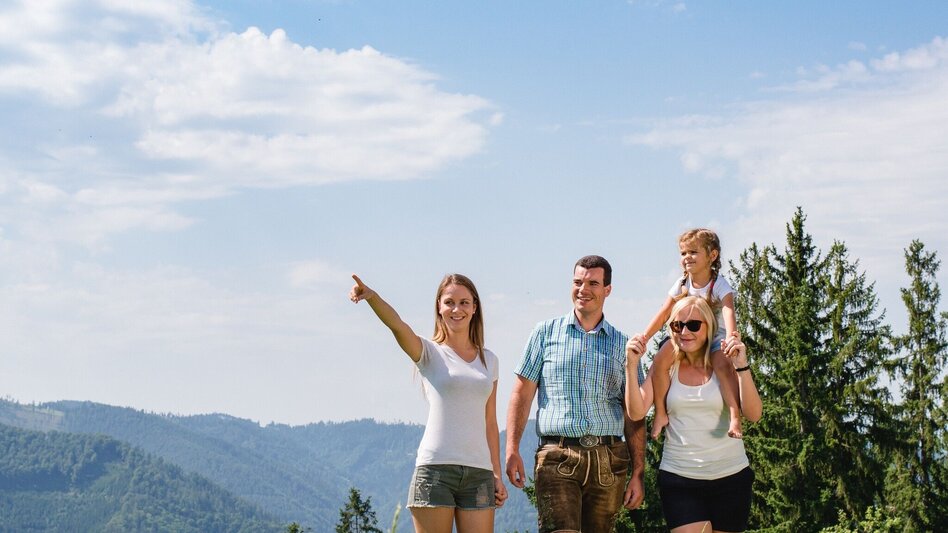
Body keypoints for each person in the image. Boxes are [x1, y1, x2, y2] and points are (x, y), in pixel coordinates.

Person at [349, 273, 507, 533]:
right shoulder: (429, 352)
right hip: (435, 471)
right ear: (439, 307)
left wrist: (496, 474)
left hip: (479, 474)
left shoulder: (490, 360)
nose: (456, 309)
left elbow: (490, 421)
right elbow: (397, 325)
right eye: (449, 302)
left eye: (464, 302)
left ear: (474, 308)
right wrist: (372, 297)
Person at [505, 255, 647, 533]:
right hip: (557, 455)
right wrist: (512, 449)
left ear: (607, 290)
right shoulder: (544, 333)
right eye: (578, 282)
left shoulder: (622, 344)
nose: (583, 289)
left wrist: (638, 472)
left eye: (593, 283)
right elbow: (521, 394)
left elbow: (634, 413)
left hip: (609, 460)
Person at [629, 295, 762, 533]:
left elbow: (754, 414)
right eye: (677, 325)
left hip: (731, 478)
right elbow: (636, 411)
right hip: (680, 479)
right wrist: (630, 366)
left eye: (693, 325)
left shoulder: (725, 364)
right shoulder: (666, 367)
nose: (684, 332)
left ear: (709, 326)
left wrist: (741, 366)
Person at [644, 228, 743, 439]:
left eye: (693, 252)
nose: (687, 257)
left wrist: (731, 337)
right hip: (687, 334)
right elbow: (664, 312)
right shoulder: (682, 283)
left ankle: (735, 416)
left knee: (722, 365)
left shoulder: (718, 284)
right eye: (683, 253)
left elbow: (728, 309)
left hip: (714, 336)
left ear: (712, 255)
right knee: (660, 361)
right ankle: (660, 413)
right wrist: (645, 337)